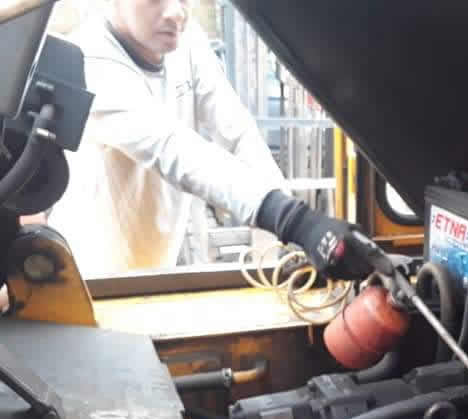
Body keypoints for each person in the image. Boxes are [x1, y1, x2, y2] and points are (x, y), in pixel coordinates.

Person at [48, 0, 353, 277]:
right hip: (89, 273)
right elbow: (172, 148)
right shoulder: (87, 60)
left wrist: (296, 228)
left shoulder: (187, 41)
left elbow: (238, 134)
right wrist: (293, 220)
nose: (176, 12)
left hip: (155, 268)